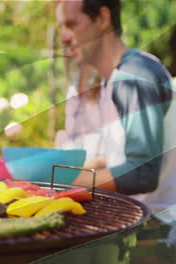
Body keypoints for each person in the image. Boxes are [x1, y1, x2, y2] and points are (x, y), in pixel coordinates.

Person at [56, 0, 173, 195]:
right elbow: (116, 159)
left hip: (156, 223)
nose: (64, 38)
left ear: (102, 18)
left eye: (71, 25)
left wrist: (54, 180)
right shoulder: (112, 79)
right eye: (61, 27)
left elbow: (143, 174)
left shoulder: (133, 75)